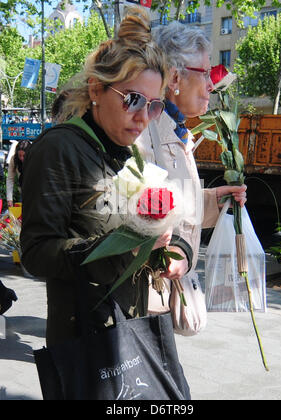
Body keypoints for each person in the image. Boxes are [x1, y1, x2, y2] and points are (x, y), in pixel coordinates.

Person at [20, 8, 193, 350]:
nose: (143, 117)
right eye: (133, 100)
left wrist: (177, 252)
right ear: (96, 88)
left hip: (133, 332)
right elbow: (36, 253)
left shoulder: (132, 154)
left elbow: (155, 232)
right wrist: (122, 248)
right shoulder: (59, 148)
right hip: (83, 345)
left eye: (154, 105)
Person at [135, 22, 247, 319]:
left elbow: (173, 202)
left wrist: (212, 201)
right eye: (205, 73)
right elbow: (130, 212)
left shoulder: (174, 128)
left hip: (157, 304)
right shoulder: (143, 131)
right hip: (141, 305)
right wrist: (172, 250)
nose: (211, 84)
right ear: (174, 77)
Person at [6, 140, 32, 208]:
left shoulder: (35, 159)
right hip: (23, 192)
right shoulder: (14, 159)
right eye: (19, 155)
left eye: (24, 156)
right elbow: (10, 179)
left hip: (35, 193)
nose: (21, 158)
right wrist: (9, 199)